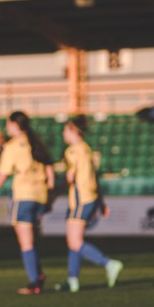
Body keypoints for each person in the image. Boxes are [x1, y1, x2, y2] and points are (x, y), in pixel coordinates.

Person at [0, 111, 54, 294]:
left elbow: (3, 174)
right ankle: (38, 275)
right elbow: (50, 173)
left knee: (26, 242)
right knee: (32, 239)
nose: (7, 128)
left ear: (15, 125)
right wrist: (49, 196)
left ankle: (34, 282)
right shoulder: (36, 142)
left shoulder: (13, 146)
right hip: (40, 196)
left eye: (8, 124)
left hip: (24, 195)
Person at [57, 116, 123, 293]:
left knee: (75, 241)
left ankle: (108, 263)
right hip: (90, 197)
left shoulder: (72, 151)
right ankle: (73, 280)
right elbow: (94, 177)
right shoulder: (87, 149)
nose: (63, 133)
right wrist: (101, 202)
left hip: (81, 199)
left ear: (73, 130)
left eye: (65, 130)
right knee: (74, 241)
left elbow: (70, 177)